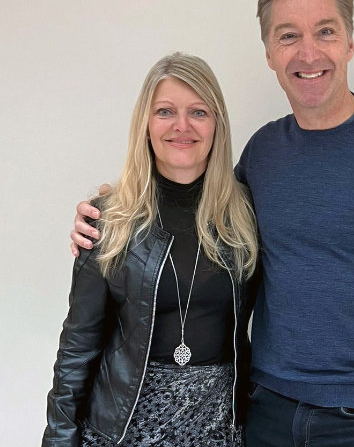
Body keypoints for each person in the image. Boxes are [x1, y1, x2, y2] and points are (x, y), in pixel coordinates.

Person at [72, 0, 354, 447]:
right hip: (264, 410)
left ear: (349, 42)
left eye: (325, 31)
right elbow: (197, 210)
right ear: (268, 53)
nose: (308, 52)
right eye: (288, 36)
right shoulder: (263, 153)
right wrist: (109, 212)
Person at [44, 52, 259, 447]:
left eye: (198, 112)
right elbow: (77, 347)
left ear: (217, 123)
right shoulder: (108, 219)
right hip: (124, 429)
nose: (182, 126)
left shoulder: (247, 213)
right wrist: (59, 439)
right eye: (165, 111)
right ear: (145, 123)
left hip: (219, 427)